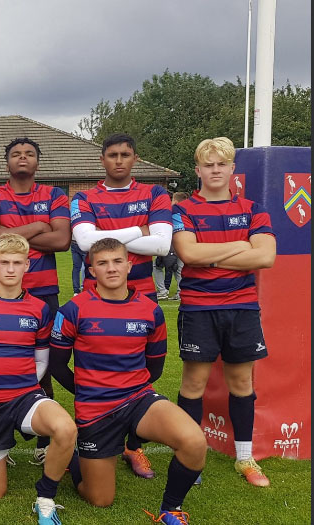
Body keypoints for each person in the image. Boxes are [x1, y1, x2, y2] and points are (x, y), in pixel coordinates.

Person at [50, 238, 206, 525]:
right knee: (100, 499)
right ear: (92, 270)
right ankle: (75, 456)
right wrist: (87, 391)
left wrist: (132, 390)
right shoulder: (72, 310)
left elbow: (155, 367)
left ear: (129, 265)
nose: (111, 268)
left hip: (138, 399)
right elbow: (57, 365)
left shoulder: (150, 310)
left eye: (117, 261)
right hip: (95, 409)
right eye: (102, 263)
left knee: (194, 441)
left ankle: (170, 509)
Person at [172, 137, 276, 487]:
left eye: (221, 164)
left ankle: (245, 458)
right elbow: (189, 254)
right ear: (198, 170)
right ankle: (190, 457)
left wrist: (211, 256)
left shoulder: (253, 209)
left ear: (232, 168)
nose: (215, 170)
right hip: (199, 307)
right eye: (208, 165)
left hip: (242, 306)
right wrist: (239, 245)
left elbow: (265, 256)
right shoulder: (184, 210)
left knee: (241, 382)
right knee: (194, 383)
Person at [70, 133, 173, 478]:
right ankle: (92, 436)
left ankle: (133, 445)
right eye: (112, 154)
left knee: (140, 368)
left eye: (125, 154)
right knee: (94, 367)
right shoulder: (85, 197)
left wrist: (108, 238)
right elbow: (86, 242)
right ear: (102, 159)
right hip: (94, 297)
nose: (118, 160)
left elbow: (162, 246)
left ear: (135, 158)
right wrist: (140, 229)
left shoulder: (154, 193)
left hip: (141, 295)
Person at [0, 233, 75, 525]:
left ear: (27, 266)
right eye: (5, 262)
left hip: (26, 397)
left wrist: (21, 383)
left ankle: (45, 498)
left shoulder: (40, 308)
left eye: (17, 263)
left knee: (66, 428)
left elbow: (42, 360)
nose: (10, 269)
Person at [0, 137, 71, 464]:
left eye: (29, 153)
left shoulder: (55, 195)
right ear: (7, 162)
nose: (23, 158)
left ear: (37, 161)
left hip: (43, 292)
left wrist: (11, 235)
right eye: (16, 154)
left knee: (44, 365)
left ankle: (43, 441)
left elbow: (62, 239)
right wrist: (38, 226)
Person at [153, 192, 189, 300]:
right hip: (183, 244)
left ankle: (162, 291)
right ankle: (180, 292)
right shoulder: (187, 212)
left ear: (176, 202)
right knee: (179, 269)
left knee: (157, 266)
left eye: (172, 200)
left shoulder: (171, 211)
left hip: (170, 244)